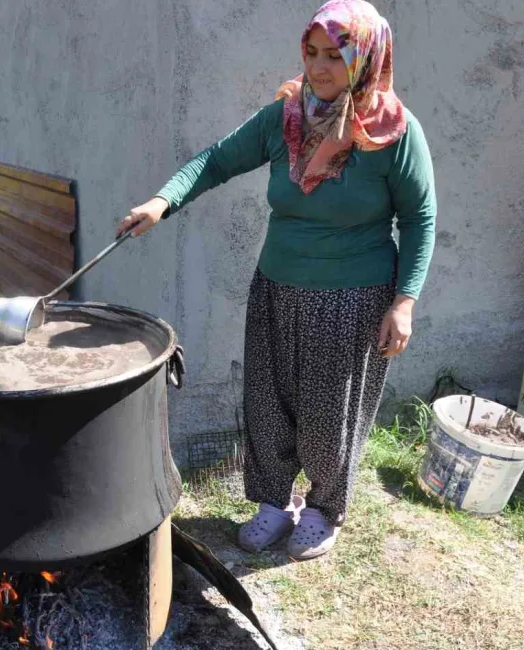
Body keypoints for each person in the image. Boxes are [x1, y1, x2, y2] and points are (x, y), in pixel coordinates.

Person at [118, 0, 436, 560]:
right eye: (311, 53)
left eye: (335, 56)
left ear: (364, 58)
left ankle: (323, 508)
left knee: (327, 412)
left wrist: (404, 302)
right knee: (267, 401)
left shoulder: (394, 133)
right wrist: (161, 201)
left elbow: (419, 218)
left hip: (353, 297)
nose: (318, 68)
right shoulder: (287, 118)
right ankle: (272, 502)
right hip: (276, 284)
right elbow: (216, 160)